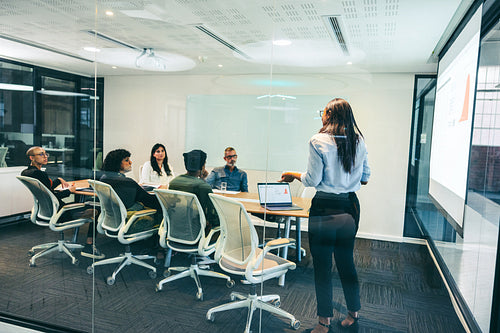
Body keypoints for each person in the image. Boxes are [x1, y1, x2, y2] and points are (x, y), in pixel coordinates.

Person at [280, 98, 370, 333]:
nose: (321, 116)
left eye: (323, 112)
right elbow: (365, 178)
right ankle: (353, 313)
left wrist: (291, 174)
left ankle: (323, 323)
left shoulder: (318, 140)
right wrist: (345, 177)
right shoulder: (359, 140)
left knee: (322, 265)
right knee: (346, 260)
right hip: (350, 206)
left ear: (329, 114)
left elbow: (312, 180)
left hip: (325, 207)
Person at [21, 146, 104, 259]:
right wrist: (69, 191)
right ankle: (89, 247)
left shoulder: (27, 173)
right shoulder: (40, 174)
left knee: (89, 204)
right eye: (41, 154)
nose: (45, 157)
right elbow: (53, 196)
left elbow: (47, 191)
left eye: (46, 154)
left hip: (45, 212)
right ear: (31, 157)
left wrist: (58, 180)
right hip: (61, 213)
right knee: (96, 210)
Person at [169, 149, 219, 232]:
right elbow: (213, 216)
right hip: (195, 232)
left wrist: (201, 178)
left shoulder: (173, 182)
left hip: (175, 230)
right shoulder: (203, 186)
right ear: (202, 166)